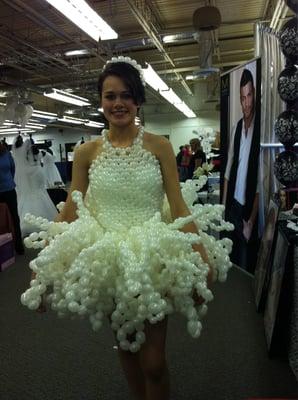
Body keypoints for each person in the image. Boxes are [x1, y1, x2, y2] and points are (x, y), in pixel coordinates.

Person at [21, 57, 232, 400]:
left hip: (153, 253)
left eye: (126, 95)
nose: (117, 103)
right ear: (101, 101)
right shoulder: (86, 151)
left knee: (154, 361)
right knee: (126, 345)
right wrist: (42, 265)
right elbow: (73, 208)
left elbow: (177, 205)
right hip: (109, 259)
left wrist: (199, 252)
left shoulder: (158, 146)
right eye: (109, 96)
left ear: (137, 101)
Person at [222, 68, 260, 272]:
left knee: (246, 266)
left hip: (248, 211)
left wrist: (251, 221)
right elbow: (228, 170)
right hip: (233, 207)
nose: (246, 103)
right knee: (231, 263)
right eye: (243, 97)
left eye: (249, 96)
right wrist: (223, 208)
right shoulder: (237, 128)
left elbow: (261, 181)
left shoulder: (260, 129)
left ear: (254, 94)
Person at [12, 136, 57, 236]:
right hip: (39, 172)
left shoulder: (25, 164)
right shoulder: (39, 154)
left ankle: (31, 222)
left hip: (32, 175)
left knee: (33, 193)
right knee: (41, 192)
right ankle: (45, 220)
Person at [0, 139, 24, 254]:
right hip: (4, 188)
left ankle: (18, 245)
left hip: (9, 189)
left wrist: (8, 181)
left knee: (15, 217)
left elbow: (13, 169)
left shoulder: (7, 154)